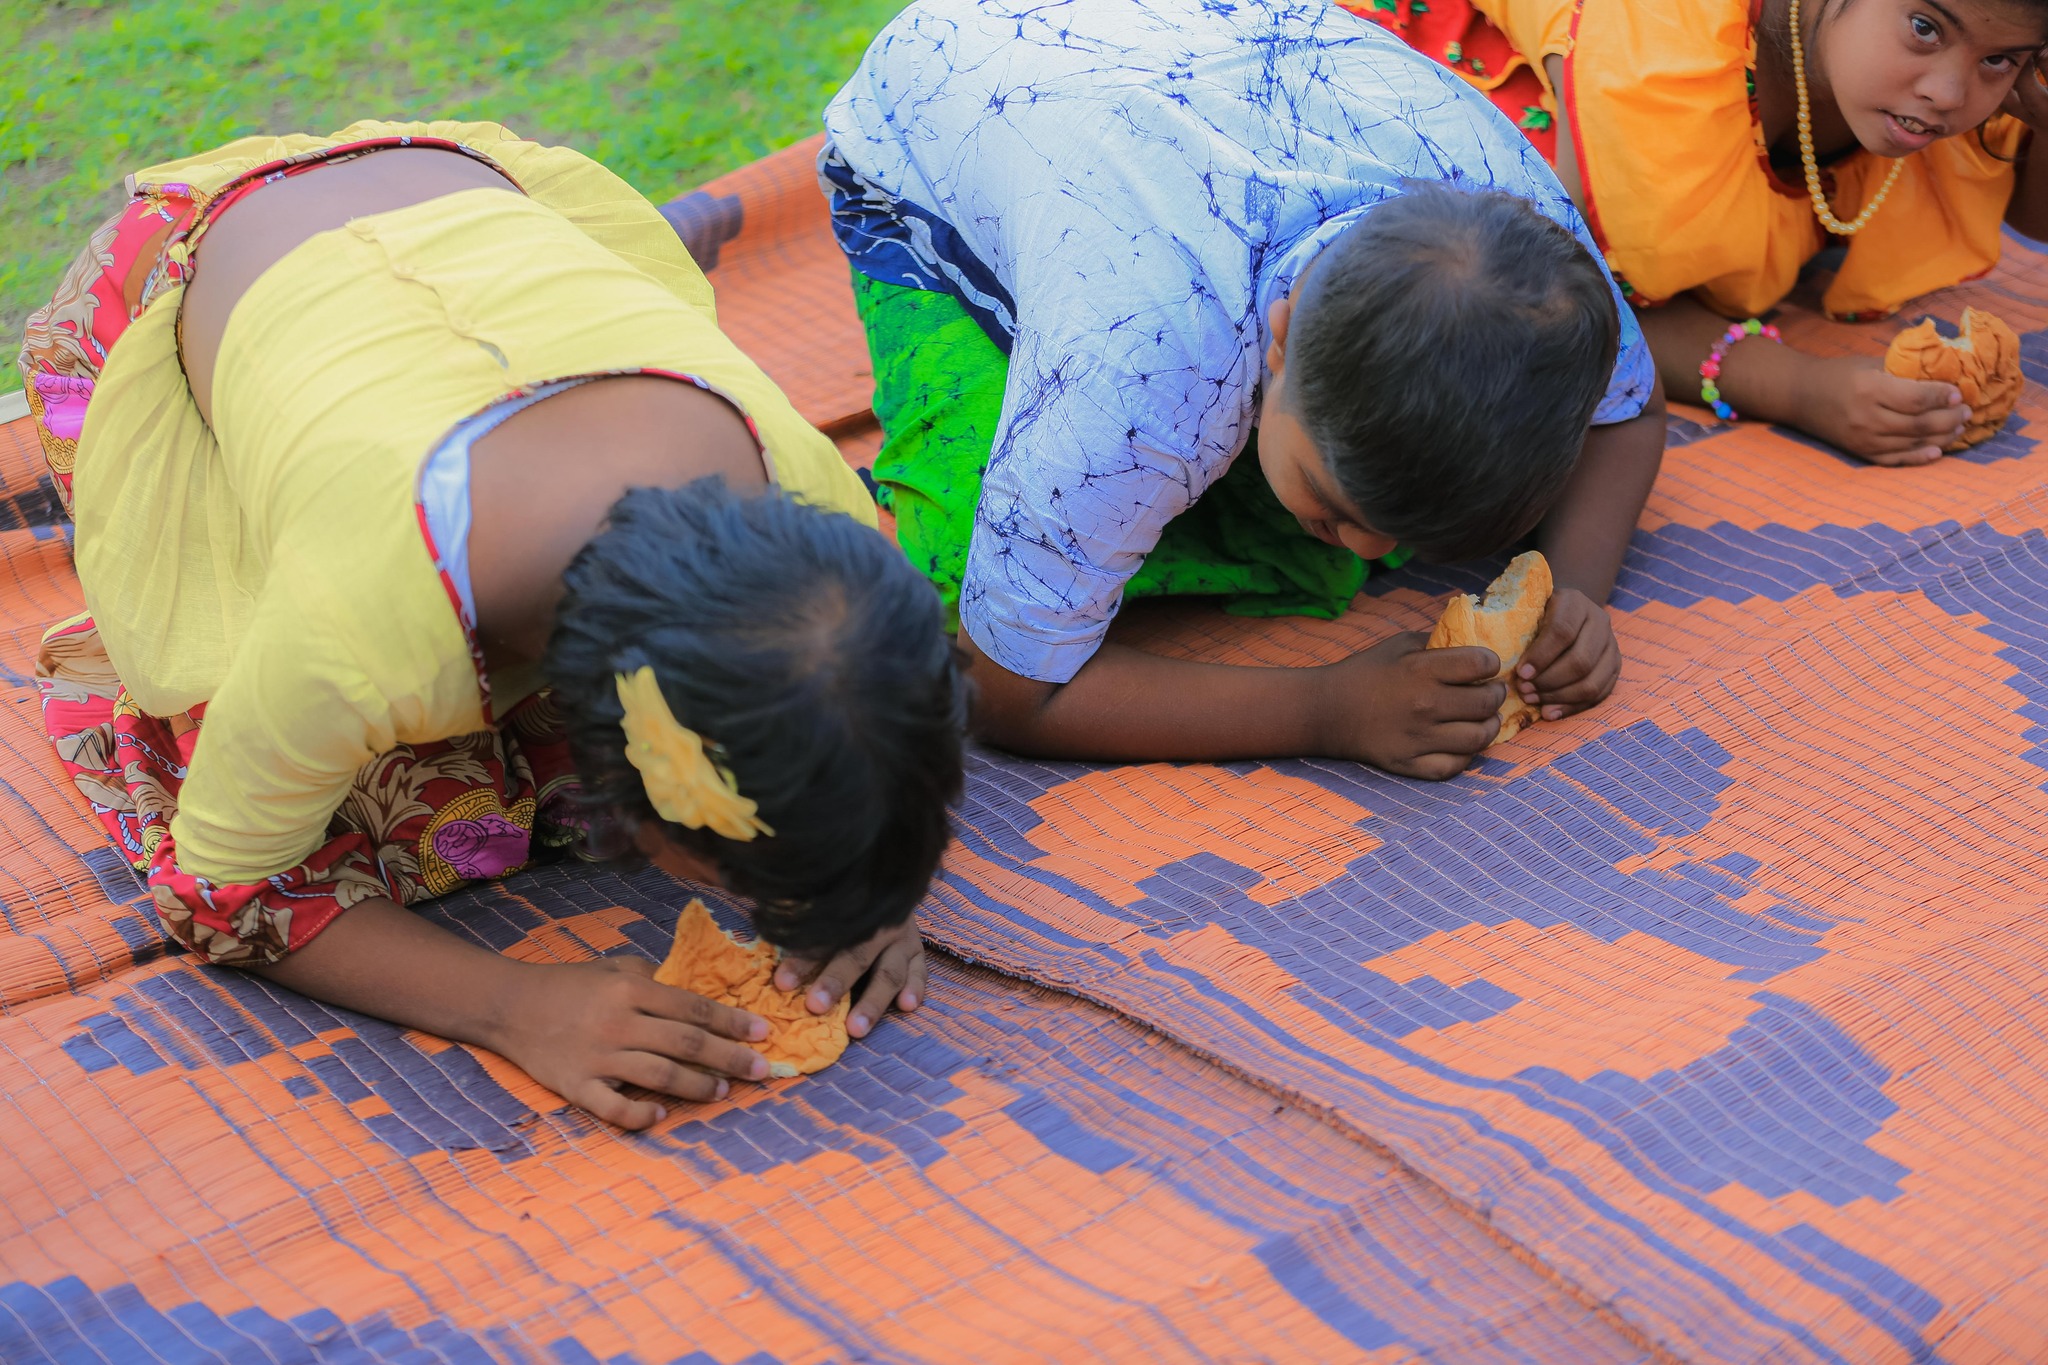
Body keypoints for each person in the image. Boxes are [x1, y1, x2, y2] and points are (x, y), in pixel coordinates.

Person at [17, 120, 966, 1130]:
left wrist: (866, 883)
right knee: (404, 814)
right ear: (621, 771)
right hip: (185, 269)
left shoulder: (810, 498)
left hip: (458, 210)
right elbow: (227, 887)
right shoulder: (347, 626)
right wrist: (513, 1007)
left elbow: (860, 716)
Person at [821, 0, 1666, 779]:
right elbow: (1001, 689)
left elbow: (1630, 412)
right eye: (1337, 507)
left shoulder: (1536, 257)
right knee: (955, 572)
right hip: (923, 152)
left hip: (1150, 79)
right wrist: (1324, 709)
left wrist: (1574, 590)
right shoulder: (1135, 381)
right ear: (1283, 337)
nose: (1364, 551)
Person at [1355, 0, 2048, 465]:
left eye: (2001, 60)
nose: (1950, 94)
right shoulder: (1657, 61)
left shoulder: (1940, 69)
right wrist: (1796, 386)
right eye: (1926, 28)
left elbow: (2032, 211)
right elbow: (1567, 300)